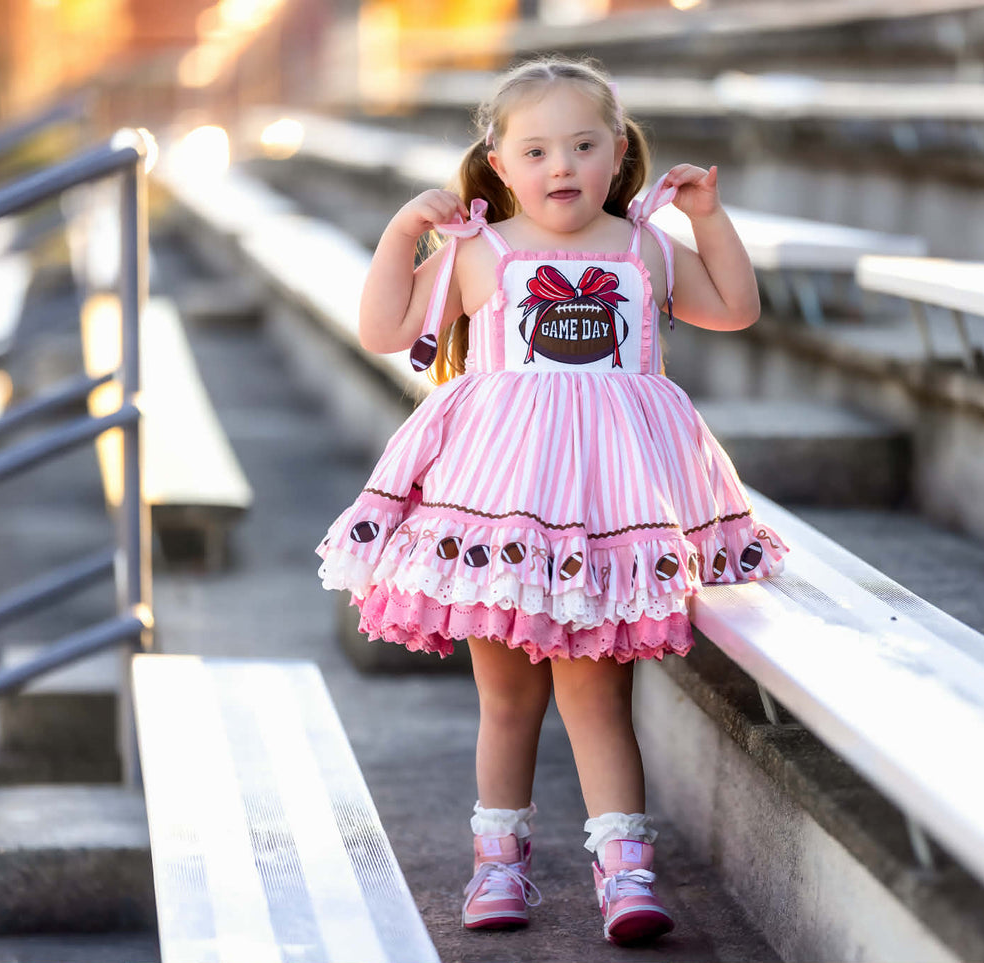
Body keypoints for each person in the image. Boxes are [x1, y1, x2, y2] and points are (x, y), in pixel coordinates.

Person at [315, 56, 787, 945]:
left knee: (598, 699)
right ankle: (499, 862)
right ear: (499, 163)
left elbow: (734, 306)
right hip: (500, 510)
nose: (559, 166)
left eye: (581, 145)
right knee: (506, 699)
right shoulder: (478, 249)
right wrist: (401, 235)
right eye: (535, 150)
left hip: (610, 516)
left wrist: (709, 220)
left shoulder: (642, 246)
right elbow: (384, 331)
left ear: (618, 153)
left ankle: (625, 870)